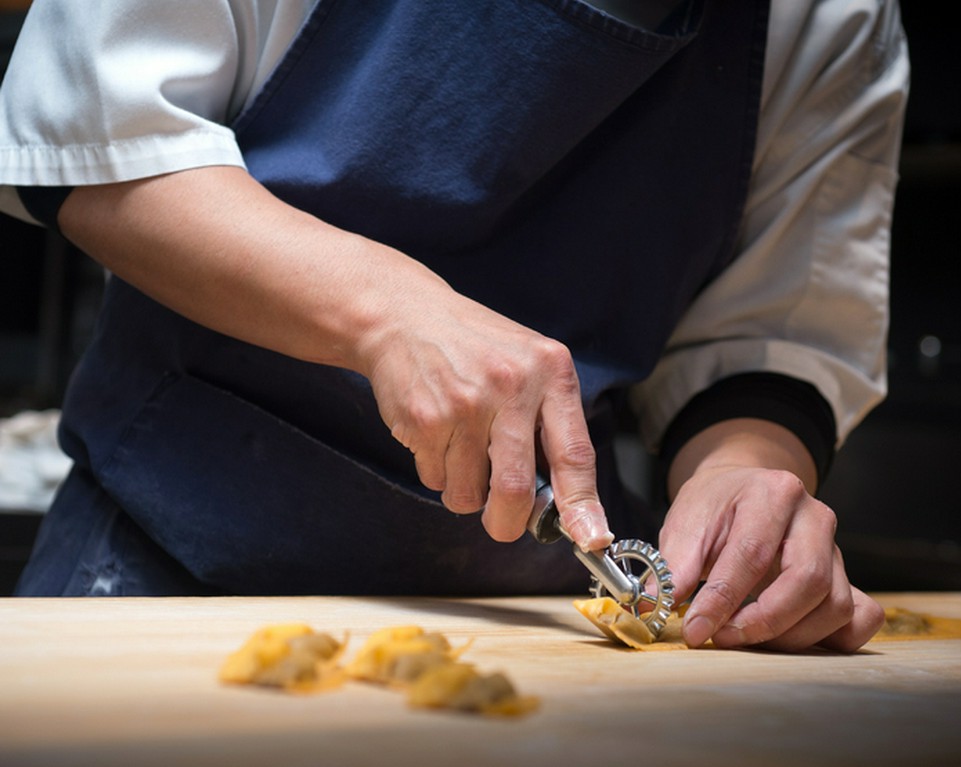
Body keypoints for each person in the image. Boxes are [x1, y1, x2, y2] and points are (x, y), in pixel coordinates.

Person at [0, 0, 908, 652]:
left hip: (532, 615)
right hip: (164, 556)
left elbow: (768, 341)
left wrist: (747, 473)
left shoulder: (832, 20)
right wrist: (389, 311)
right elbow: (91, 141)